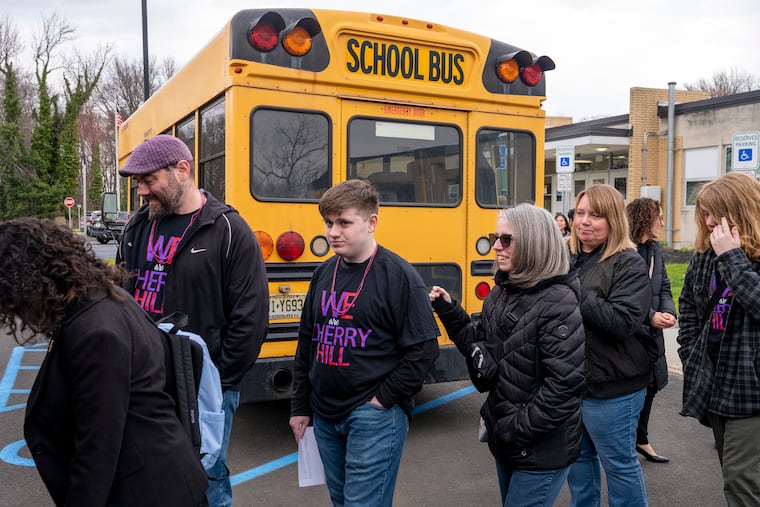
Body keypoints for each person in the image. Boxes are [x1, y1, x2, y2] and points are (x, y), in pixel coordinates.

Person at [0, 218, 208, 506]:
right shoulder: (108, 297)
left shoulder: (96, 332)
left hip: (148, 490)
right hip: (163, 476)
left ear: (31, 283)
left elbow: (98, 446)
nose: (19, 313)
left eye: (13, 300)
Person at [116, 134, 269, 507]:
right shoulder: (137, 227)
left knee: (206, 475)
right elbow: (119, 294)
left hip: (204, 383)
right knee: (149, 472)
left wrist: (218, 380)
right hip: (144, 377)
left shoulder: (229, 230)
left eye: (149, 180)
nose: (141, 191)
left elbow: (251, 318)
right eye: (138, 183)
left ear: (182, 170)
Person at [289, 179, 440, 506]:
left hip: (372, 416)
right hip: (324, 415)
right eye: (328, 223)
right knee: (342, 500)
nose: (333, 232)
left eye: (344, 222)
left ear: (372, 222)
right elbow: (307, 342)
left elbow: (424, 349)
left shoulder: (398, 276)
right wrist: (300, 406)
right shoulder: (323, 273)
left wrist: (382, 400)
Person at [429, 204, 586, 507]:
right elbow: (483, 354)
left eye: (506, 239)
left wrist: (513, 429)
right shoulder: (503, 291)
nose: (496, 246)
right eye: (494, 237)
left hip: (540, 450)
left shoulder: (558, 301)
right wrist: (451, 312)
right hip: (510, 442)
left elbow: (564, 388)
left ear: (533, 243)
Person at [565, 184, 653, 507]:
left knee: (618, 466)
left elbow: (622, 322)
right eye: (580, 213)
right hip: (574, 383)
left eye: (596, 215)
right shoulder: (569, 258)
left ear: (614, 220)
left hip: (615, 387)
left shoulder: (629, 263)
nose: (584, 221)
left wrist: (574, 289)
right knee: (579, 465)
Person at [677, 172, 760, 506]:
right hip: (716, 385)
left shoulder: (735, 257)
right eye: (704, 214)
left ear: (740, 212)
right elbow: (689, 308)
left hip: (751, 390)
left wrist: (731, 257)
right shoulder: (703, 257)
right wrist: (688, 352)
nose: (709, 222)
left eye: (715, 214)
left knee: (742, 485)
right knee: (736, 474)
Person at [626, 197, 676, 464]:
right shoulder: (623, 251)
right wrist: (650, 317)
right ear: (645, 218)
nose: (663, 222)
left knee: (652, 386)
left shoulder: (655, 250)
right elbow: (619, 299)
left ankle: (641, 439)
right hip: (631, 334)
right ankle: (627, 444)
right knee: (632, 392)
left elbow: (665, 287)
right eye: (659, 216)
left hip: (653, 335)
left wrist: (669, 312)